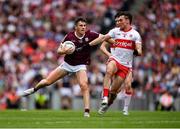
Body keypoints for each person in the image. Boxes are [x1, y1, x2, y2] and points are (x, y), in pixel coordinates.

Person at [21, 17, 101, 117]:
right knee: (47, 82)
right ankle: (34, 89)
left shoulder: (90, 34)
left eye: (84, 25)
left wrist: (114, 41)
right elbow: (59, 51)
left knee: (84, 86)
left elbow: (104, 37)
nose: (83, 27)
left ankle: (86, 111)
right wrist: (65, 51)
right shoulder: (69, 36)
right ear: (75, 27)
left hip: (80, 65)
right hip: (67, 65)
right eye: (81, 25)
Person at [88, 11, 142, 114]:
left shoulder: (135, 35)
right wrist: (89, 45)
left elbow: (140, 51)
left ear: (127, 21)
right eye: (116, 20)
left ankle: (108, 104)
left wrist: (136, 51)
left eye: (120, 20)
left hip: (126, 65)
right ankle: (104, 97)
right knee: (109, 71)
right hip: (115, 60)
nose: (117, 22)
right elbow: (102, 39)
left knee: (114, 92)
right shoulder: (114, 32)